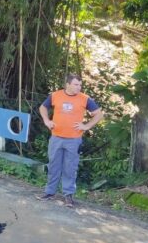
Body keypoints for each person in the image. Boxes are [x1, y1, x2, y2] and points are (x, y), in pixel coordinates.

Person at [36, 73, 103, 208]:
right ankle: (49, 192)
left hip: (73, 140)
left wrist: (86, 126)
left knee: (70, 168)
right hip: (56, 137)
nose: (79, 87)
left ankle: (68, 196)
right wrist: (46, 120)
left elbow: (98, 114)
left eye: (80, 85)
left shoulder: (85, 99)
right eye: (76, 84)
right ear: (67, 85)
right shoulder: (56, 95)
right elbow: (43, 107)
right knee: (53, 165)